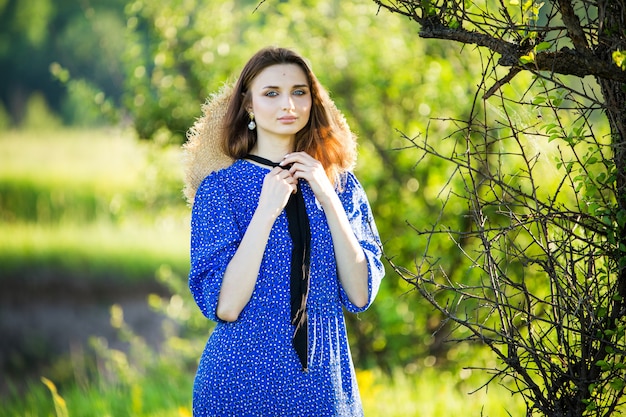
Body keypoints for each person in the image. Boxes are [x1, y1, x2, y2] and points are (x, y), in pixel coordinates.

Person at [184, 46, 384, 417]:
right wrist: (266, 211)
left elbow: (359, 293)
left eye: (298, 92)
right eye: (271, 93)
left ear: (312, 100)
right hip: (239, 386)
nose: (287, 104)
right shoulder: (220, 190)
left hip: (326, 387)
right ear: (248, 105)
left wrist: (326, 195)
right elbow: (226, 306)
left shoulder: (342, 187)